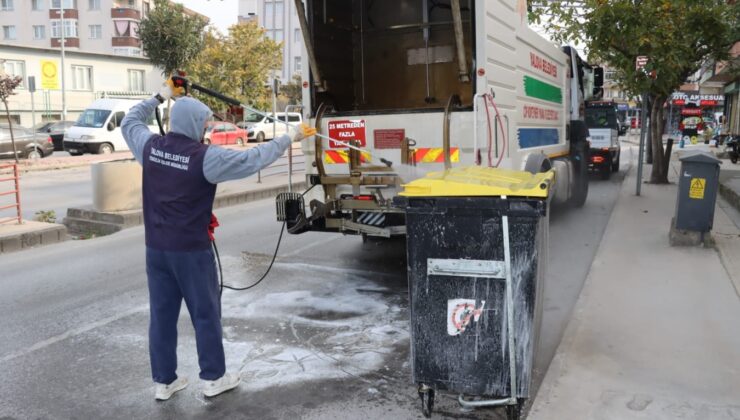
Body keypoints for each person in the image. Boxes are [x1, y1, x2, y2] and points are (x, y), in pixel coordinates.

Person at [121, 83, 315, 401]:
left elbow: (131, 120)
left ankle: (164, 382)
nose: (206, 129)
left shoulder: (149, 147)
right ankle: (213, 377)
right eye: (205, 123)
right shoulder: (205, 158)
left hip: (156, 249)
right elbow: (253, 159)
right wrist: (288, 137)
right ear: (196, 125)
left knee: (162, 315)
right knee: (205, 313)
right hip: (192, 253)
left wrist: (160, 95)